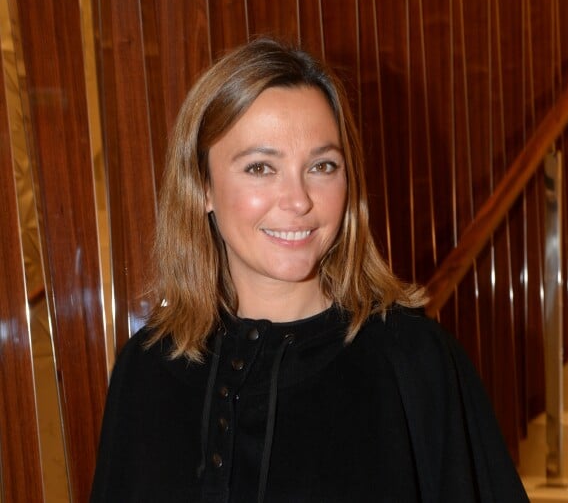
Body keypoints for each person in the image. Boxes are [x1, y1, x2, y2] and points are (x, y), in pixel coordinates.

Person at [90, 37, 528, 502]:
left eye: (322, 165)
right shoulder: (147, 366)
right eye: (260, 168)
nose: (298, 200)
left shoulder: (415, 362)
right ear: (202, 187)